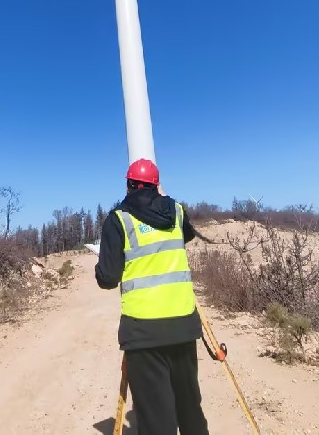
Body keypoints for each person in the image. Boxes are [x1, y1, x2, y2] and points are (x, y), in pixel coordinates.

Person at [95, 158, 209, 435]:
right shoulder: (177, 212)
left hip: (144, 332)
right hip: (183, 326)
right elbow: (188, 235)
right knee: (189, 407)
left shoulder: (119, 220)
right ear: (157, 185)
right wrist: (164, 200)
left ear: (128, 184)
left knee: (157, 419)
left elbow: (107, 279)